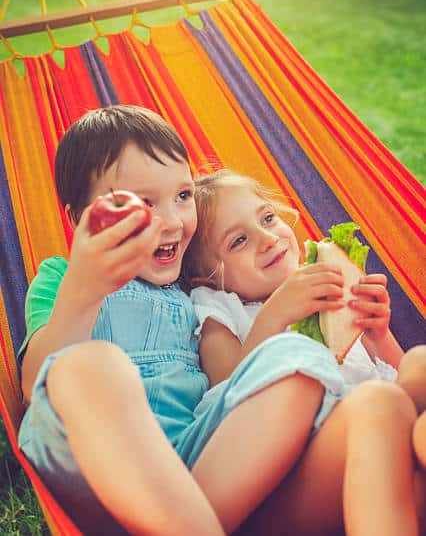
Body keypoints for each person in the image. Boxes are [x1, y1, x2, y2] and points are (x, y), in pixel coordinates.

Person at [18, 107, 422, 536]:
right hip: (89, 458)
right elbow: (34, 382)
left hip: (199, 464)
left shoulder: (198, 295)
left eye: (183, 196)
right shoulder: (63, 278)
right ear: (81, 221)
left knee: (303, 361)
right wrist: (87, 283)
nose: (172, 222)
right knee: (91, 366)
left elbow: (231, 388)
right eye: (143, 204)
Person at [183, 167, 426, 534]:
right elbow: (229, 387)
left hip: (387, 446)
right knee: (382, 403)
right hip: (310, 463)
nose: (267, 239)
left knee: (420, 361)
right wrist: (278, 311)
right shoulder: (219, 308)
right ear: (209, 277)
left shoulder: (326, 283)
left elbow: (391, 374)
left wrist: (378, 333)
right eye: (238, 241)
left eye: (267, 218)